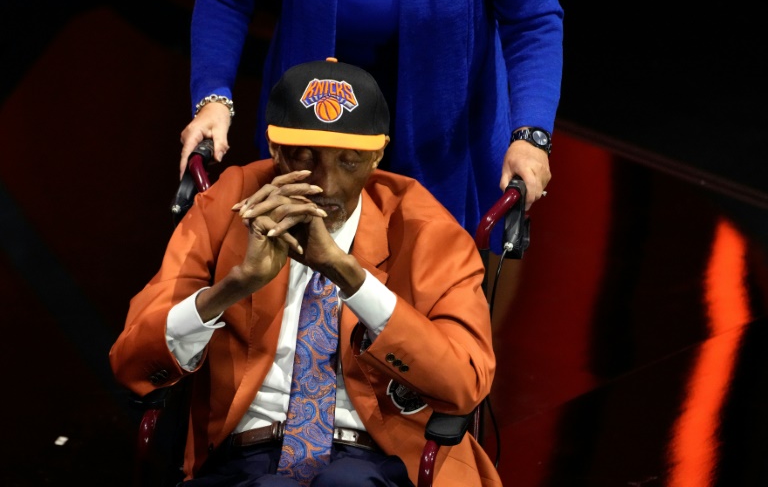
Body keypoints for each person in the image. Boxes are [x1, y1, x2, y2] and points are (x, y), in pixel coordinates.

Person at [112, 58, 499, 486]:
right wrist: (235, 285)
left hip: (382, 456)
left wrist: (348, 275)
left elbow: (464, 384)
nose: (325, 185)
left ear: (377, 155)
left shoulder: (428, 230)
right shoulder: (226, 206)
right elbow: (131, 361)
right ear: (275, 150)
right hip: (245, 457)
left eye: (349, 161)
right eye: (304, 158)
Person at [179, 0, 563, 237]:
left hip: (441, 149)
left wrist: (531, 134)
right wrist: (213, 100)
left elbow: (532, 19)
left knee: (419, 307)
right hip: (308, 138)